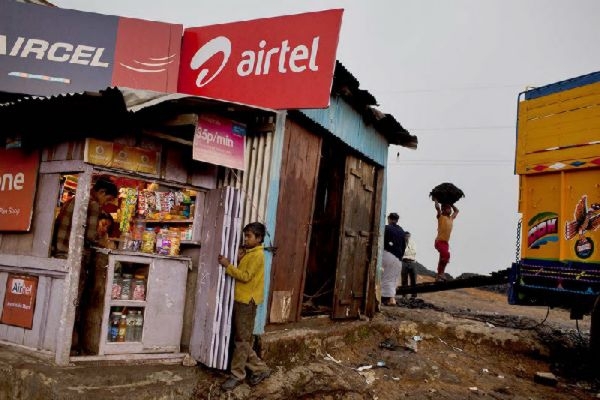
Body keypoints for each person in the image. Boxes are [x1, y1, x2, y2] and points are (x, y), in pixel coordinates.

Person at [217, 222, 271, 391]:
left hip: (248, 301)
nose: (246, 239)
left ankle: (237, 375)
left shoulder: (257, 255)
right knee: (242, 338)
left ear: (259, 238)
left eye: (249, 236)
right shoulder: (250, 253)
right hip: (243, 300)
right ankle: (260, 369)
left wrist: (228, 265)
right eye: (245, 235)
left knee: (241, 340)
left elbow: (246, 276)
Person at [52, 176, 118, 258]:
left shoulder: (74, 199)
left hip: (58, 250)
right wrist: (105, 242)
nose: (106, 203)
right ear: (102, 192)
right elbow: (91, 237)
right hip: (71, 255)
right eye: (108, 199)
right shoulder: (94, 204)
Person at [381, 212, 406, 306]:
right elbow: (404, 246)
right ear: (397, 220)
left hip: (387, 254)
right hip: (398, 258)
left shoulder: (386, 228)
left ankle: (384, 299)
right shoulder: (402, 231)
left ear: (389, 219)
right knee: (392, 279)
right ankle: (391, 298)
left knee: (384, 277)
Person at [434, 200, 459, 281]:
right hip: (439, 241)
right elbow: (437, 208)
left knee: (443, 258)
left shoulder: (451, 218)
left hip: (445, 243)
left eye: (450, 209)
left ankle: (439, 275)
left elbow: (457, 211)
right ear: (444, 210)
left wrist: (451, 204)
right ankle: (441, 274)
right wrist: (436, 200)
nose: (450, 210)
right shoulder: (441, 217)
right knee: (446, 255)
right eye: (448, 208)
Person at [400, 231, 418, 298]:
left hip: (412, 262)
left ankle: (414, 295)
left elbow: (414, 252)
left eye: (408, 236)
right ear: (404, 236)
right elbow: (401, 252)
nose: (407, 237)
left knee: (413, 280)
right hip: (404, 262)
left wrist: (405, 252)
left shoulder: (413, 243)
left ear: (410, 236)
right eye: (406, 236)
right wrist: (407, 252)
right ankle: (404, 295)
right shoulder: (401, 243)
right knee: (404, 280)